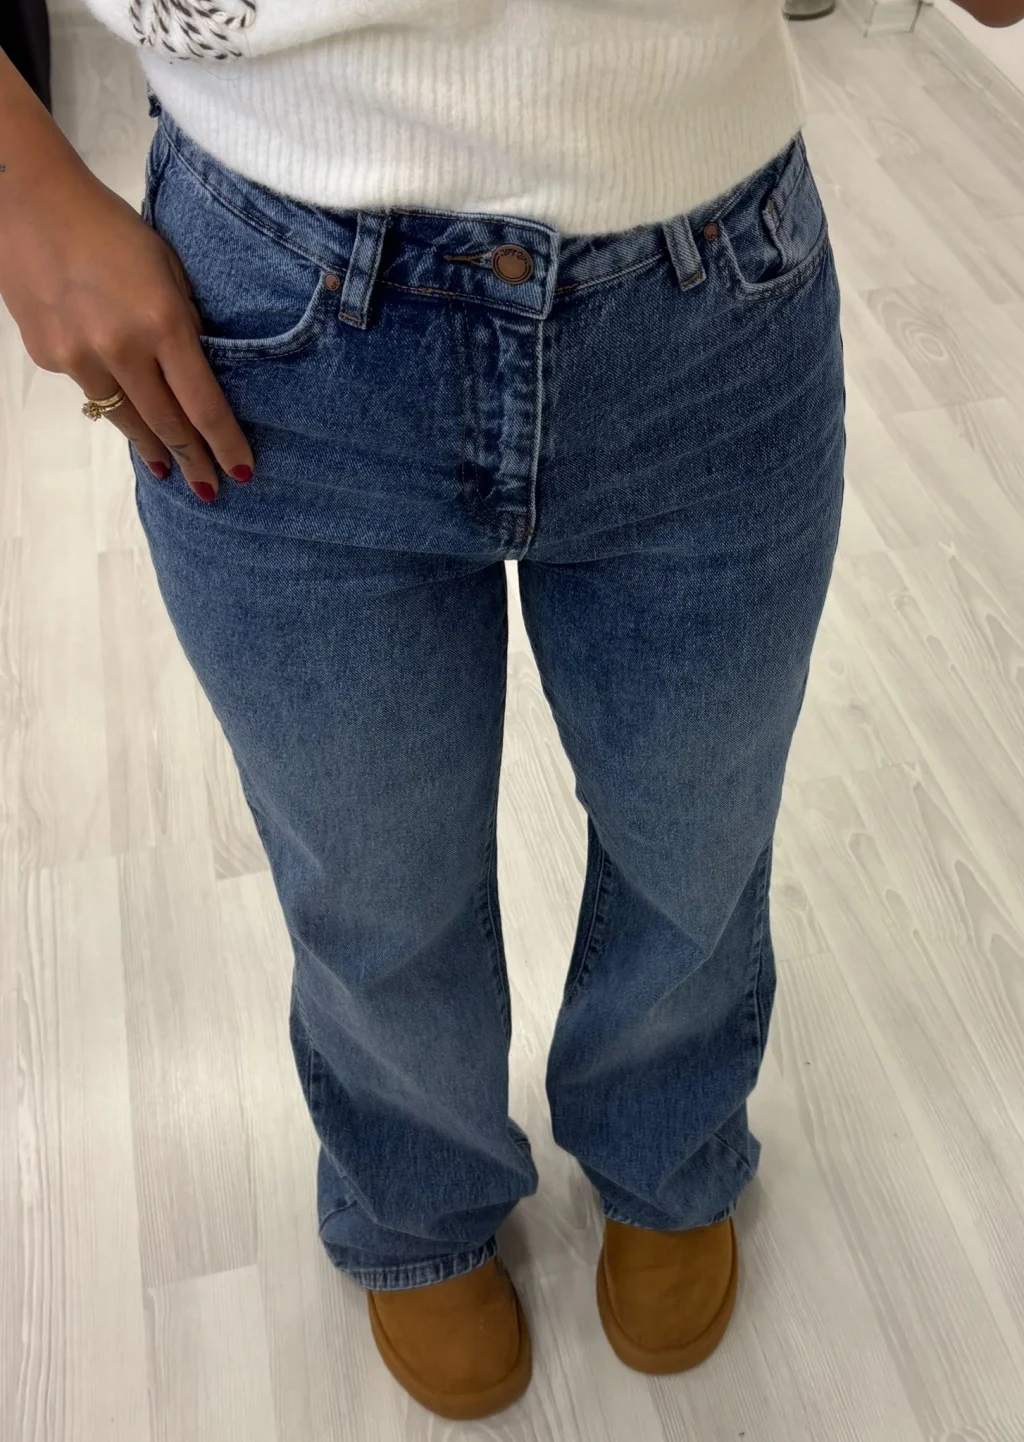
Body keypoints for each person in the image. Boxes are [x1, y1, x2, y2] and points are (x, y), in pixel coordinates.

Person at [2, 0, 1020, 1422]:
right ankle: (414, 1192)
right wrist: (22, 188)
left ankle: (667, 1146)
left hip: (710, 283)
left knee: (696, 831)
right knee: (369, 871)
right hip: (268, 311)